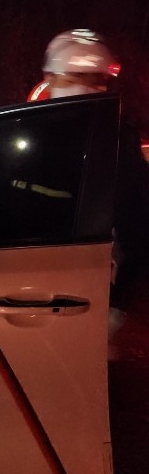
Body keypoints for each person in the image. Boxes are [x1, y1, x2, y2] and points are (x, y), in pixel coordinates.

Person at [34, 28, 149, 296]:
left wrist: (121, 297)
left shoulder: (117, 140)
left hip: (78, 283)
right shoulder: (39, 132)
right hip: (49, 276)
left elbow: (136, 224)